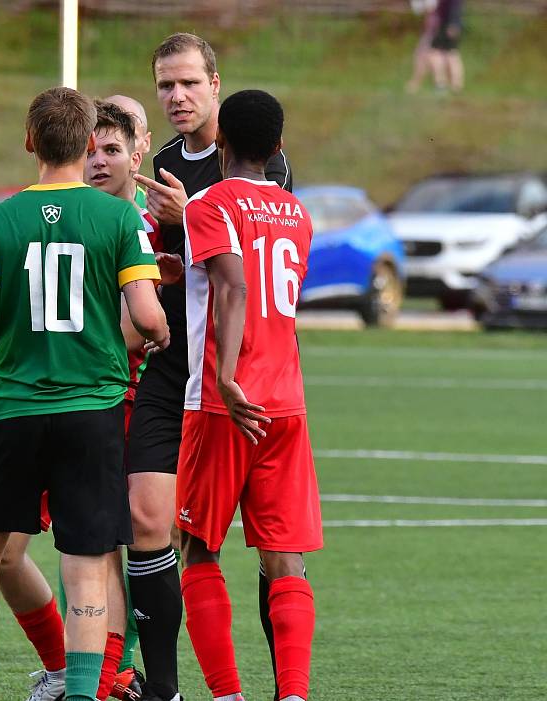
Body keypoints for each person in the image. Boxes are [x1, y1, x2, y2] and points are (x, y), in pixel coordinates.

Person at [0, 87, 169, 701]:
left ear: (29, 142)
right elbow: (148, 318)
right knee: (87, 564)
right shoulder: (119, 218)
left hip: (17, 411)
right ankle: (80, 691)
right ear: (85, 144)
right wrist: (160, 333)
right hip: (93, 412)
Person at [124, 33, 292, 701]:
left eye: (189, 82)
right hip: (173, 369)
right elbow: (182, 268)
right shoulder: (164, 160)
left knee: (261, 542)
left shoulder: (258, 158)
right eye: (166, 84)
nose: (177, 96)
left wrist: (185, 216)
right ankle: (163, 686)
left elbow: (246, 257)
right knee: (146, 518)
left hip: (240, 374)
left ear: (215, 84)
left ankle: (283, 685)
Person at [177, 89, 323, 701]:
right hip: (287, 403)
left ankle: (229, 694)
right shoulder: (298, 213)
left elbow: (233, 286)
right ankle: (292, 694)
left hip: (223, 401)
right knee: (284, 558)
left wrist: (229, 375)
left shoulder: (208, 203)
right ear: (280, 146)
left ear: (223, 142)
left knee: (198, 549)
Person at [431, 0, 464, 93]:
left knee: (437, 54)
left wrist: (453, 24)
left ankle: (441, 84)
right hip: (450, 25)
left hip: (448, 25)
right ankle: (455, 85)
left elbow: (455, 7)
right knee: (451, 54)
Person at [406, 0, 439, 94]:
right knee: (426, 57)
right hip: (430, 30)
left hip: (433, 31)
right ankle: (437, 84)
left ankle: (415, 84)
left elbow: (428, 7)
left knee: (424, 56)